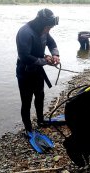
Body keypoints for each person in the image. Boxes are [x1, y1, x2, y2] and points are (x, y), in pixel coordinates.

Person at [16, 8, 60, 136]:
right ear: (41, 23)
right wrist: (45, 60)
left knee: (40, 95)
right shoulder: (25, 32)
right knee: (26, 100)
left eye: (50, 28)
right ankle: (28, 128)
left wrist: (55, 54)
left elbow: (51, 43)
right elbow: (25, 56)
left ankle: (40, 120)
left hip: (37, 71)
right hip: (25, 71)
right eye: (48, 27)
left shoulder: (44, 30)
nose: (49, 30)